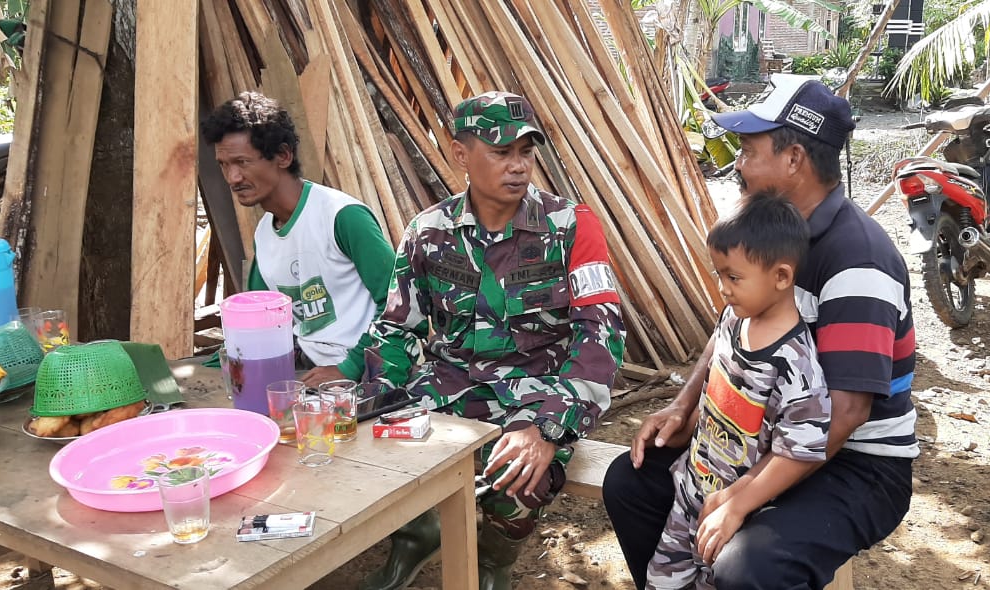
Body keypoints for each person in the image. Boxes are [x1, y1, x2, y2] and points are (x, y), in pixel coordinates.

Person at [604, 76, 919, 590]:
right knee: (631, 483)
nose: (737, 164)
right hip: (757, 435)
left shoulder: (858, 261)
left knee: (748, 567)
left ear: (794, 159)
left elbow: (846, 414)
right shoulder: (766, 235)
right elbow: (732, 327)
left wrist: (743, 495)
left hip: (856, 464)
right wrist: (683, 407)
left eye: (749, 151)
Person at [360, 91, 626, 590]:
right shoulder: (428, 231)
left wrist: (548, 426)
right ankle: (417, 536)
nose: (518, 166)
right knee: (375, 449)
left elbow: (601, 332)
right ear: (460, 154)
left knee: (518, 482)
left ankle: (493, 563)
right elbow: (396, 329)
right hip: (448, 387)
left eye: (525, 152)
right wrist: (371, 401)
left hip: (536, 393)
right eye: (501, 152)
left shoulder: (571, 226)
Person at [647, 194, 829, 589]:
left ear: (781, 277)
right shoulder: (732, 321)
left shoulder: (796, 367)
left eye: (733, 277)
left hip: (734, 518)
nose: (722, 289)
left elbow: (798, 454)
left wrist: (737, 505)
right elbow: (716, 395)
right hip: (691, 493)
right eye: (719, 275)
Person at [200, 91, 395, 387]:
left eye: (242, 162)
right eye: (224, 165)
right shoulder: (265, 233)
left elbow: (400, 304)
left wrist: (350, 367)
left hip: (365, 372)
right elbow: (260, 318)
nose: (232, 178)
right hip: (309, 370)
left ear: (283, 155)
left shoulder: (342, 217)